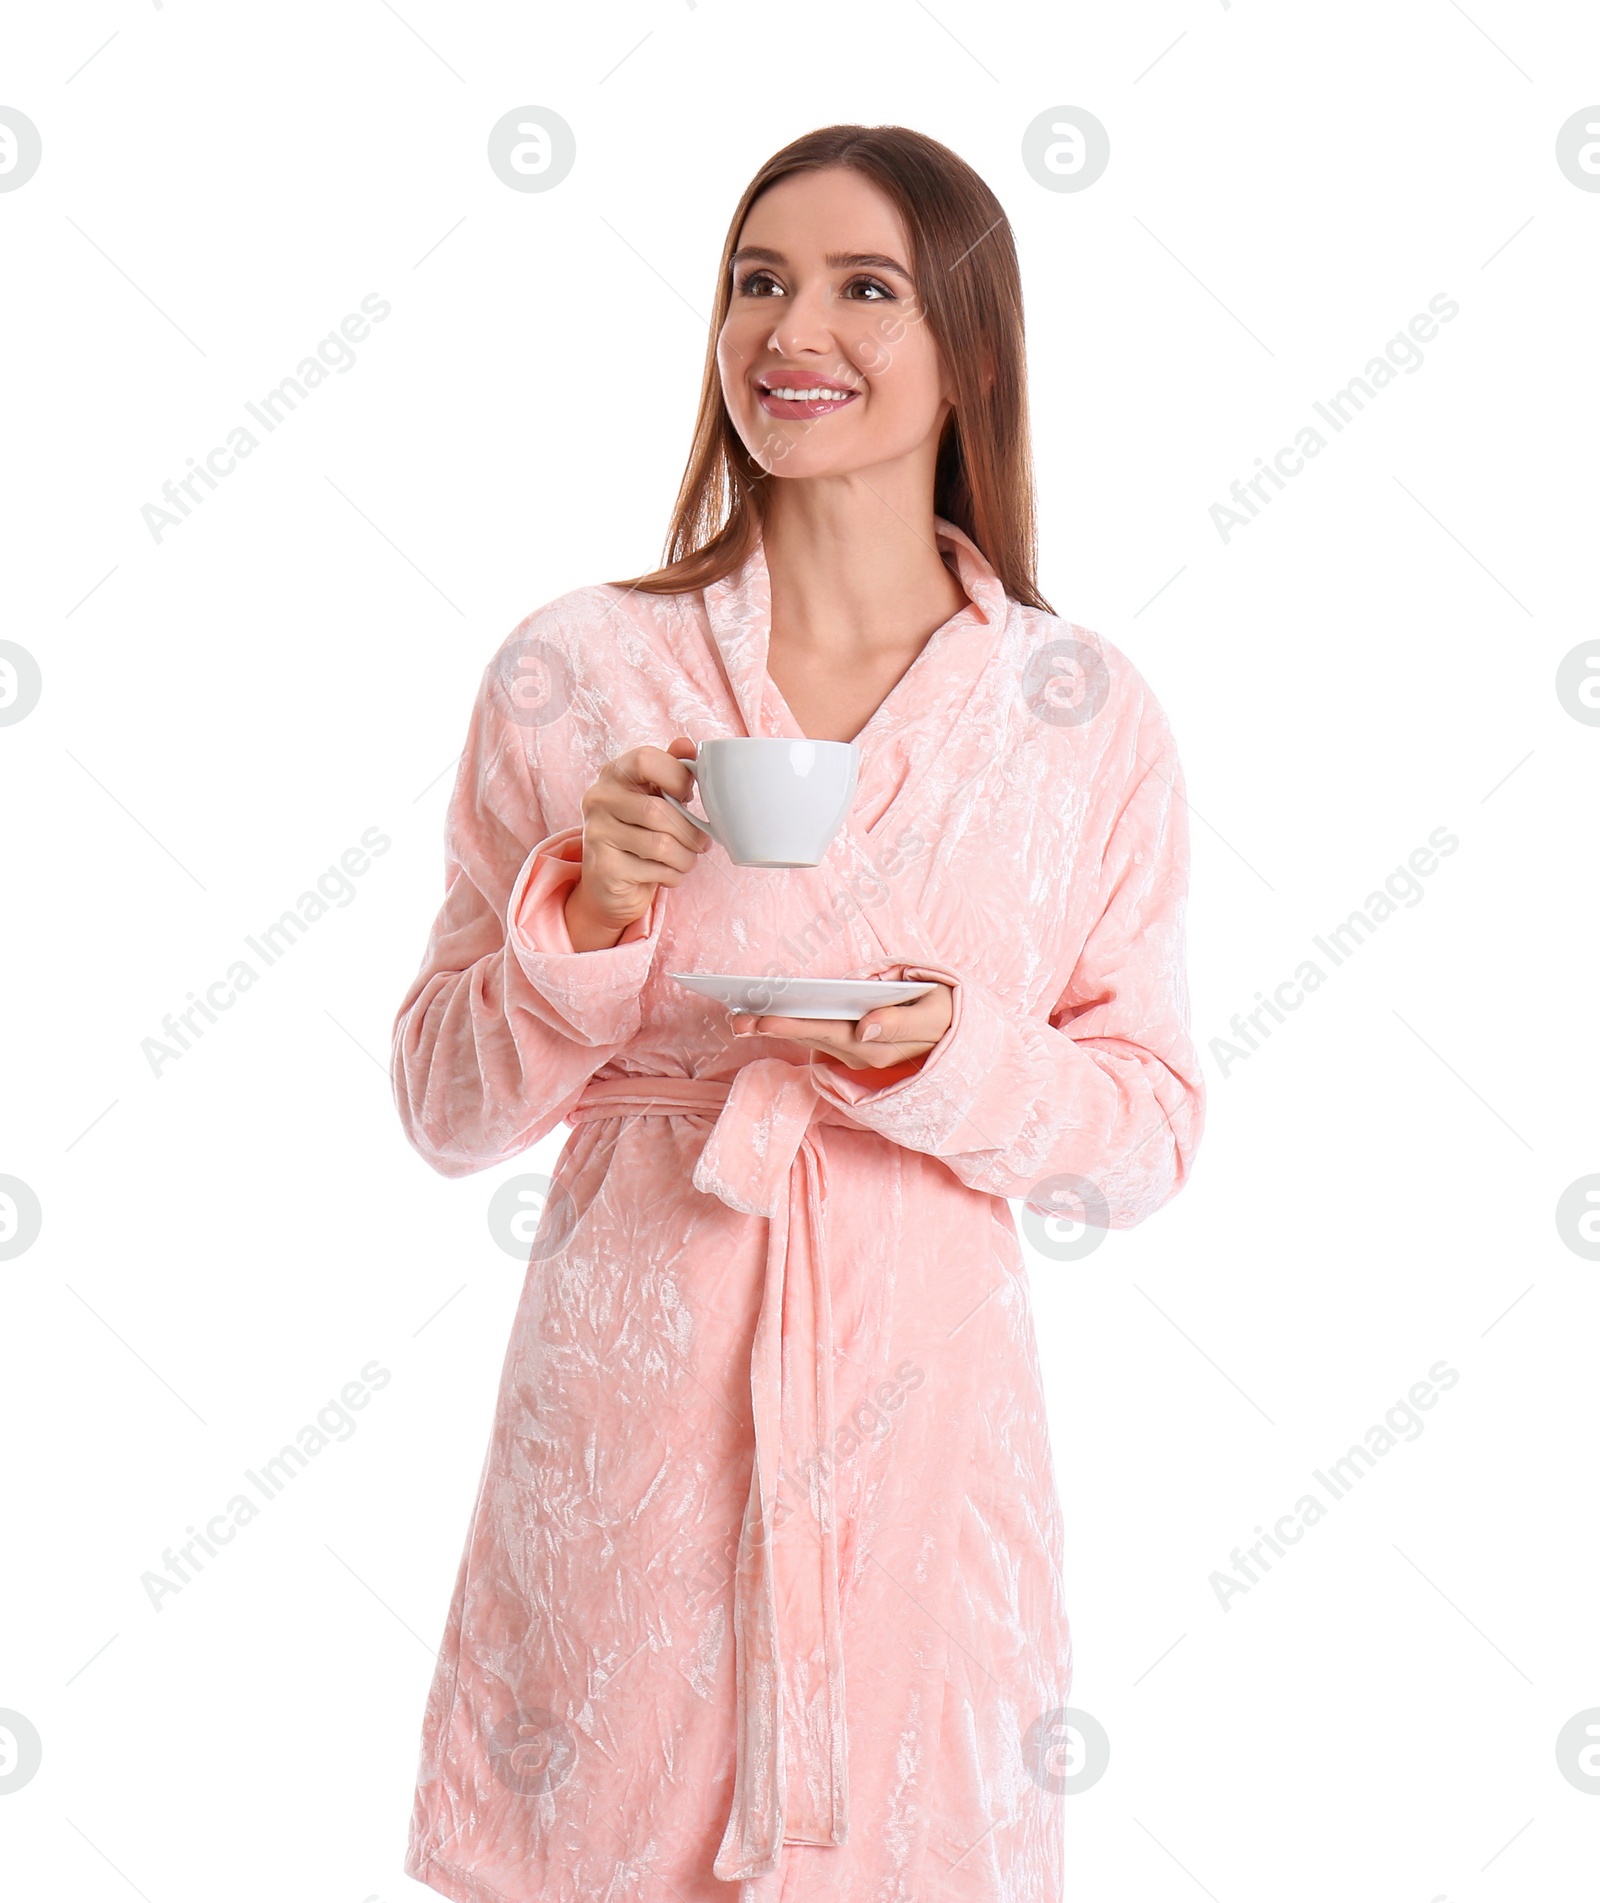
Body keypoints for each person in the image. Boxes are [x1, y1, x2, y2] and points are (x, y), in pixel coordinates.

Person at [391, 122, 1205, 1903]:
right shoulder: (575, 668)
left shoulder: (1078, 715)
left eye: (862, 287)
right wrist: (587, 914)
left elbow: (1147, 1133)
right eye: (758, 281)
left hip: (928, 1448)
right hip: (631, 1426)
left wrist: (953, 1056)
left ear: (967, 345)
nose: (791, 329)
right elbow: (442, 1108)